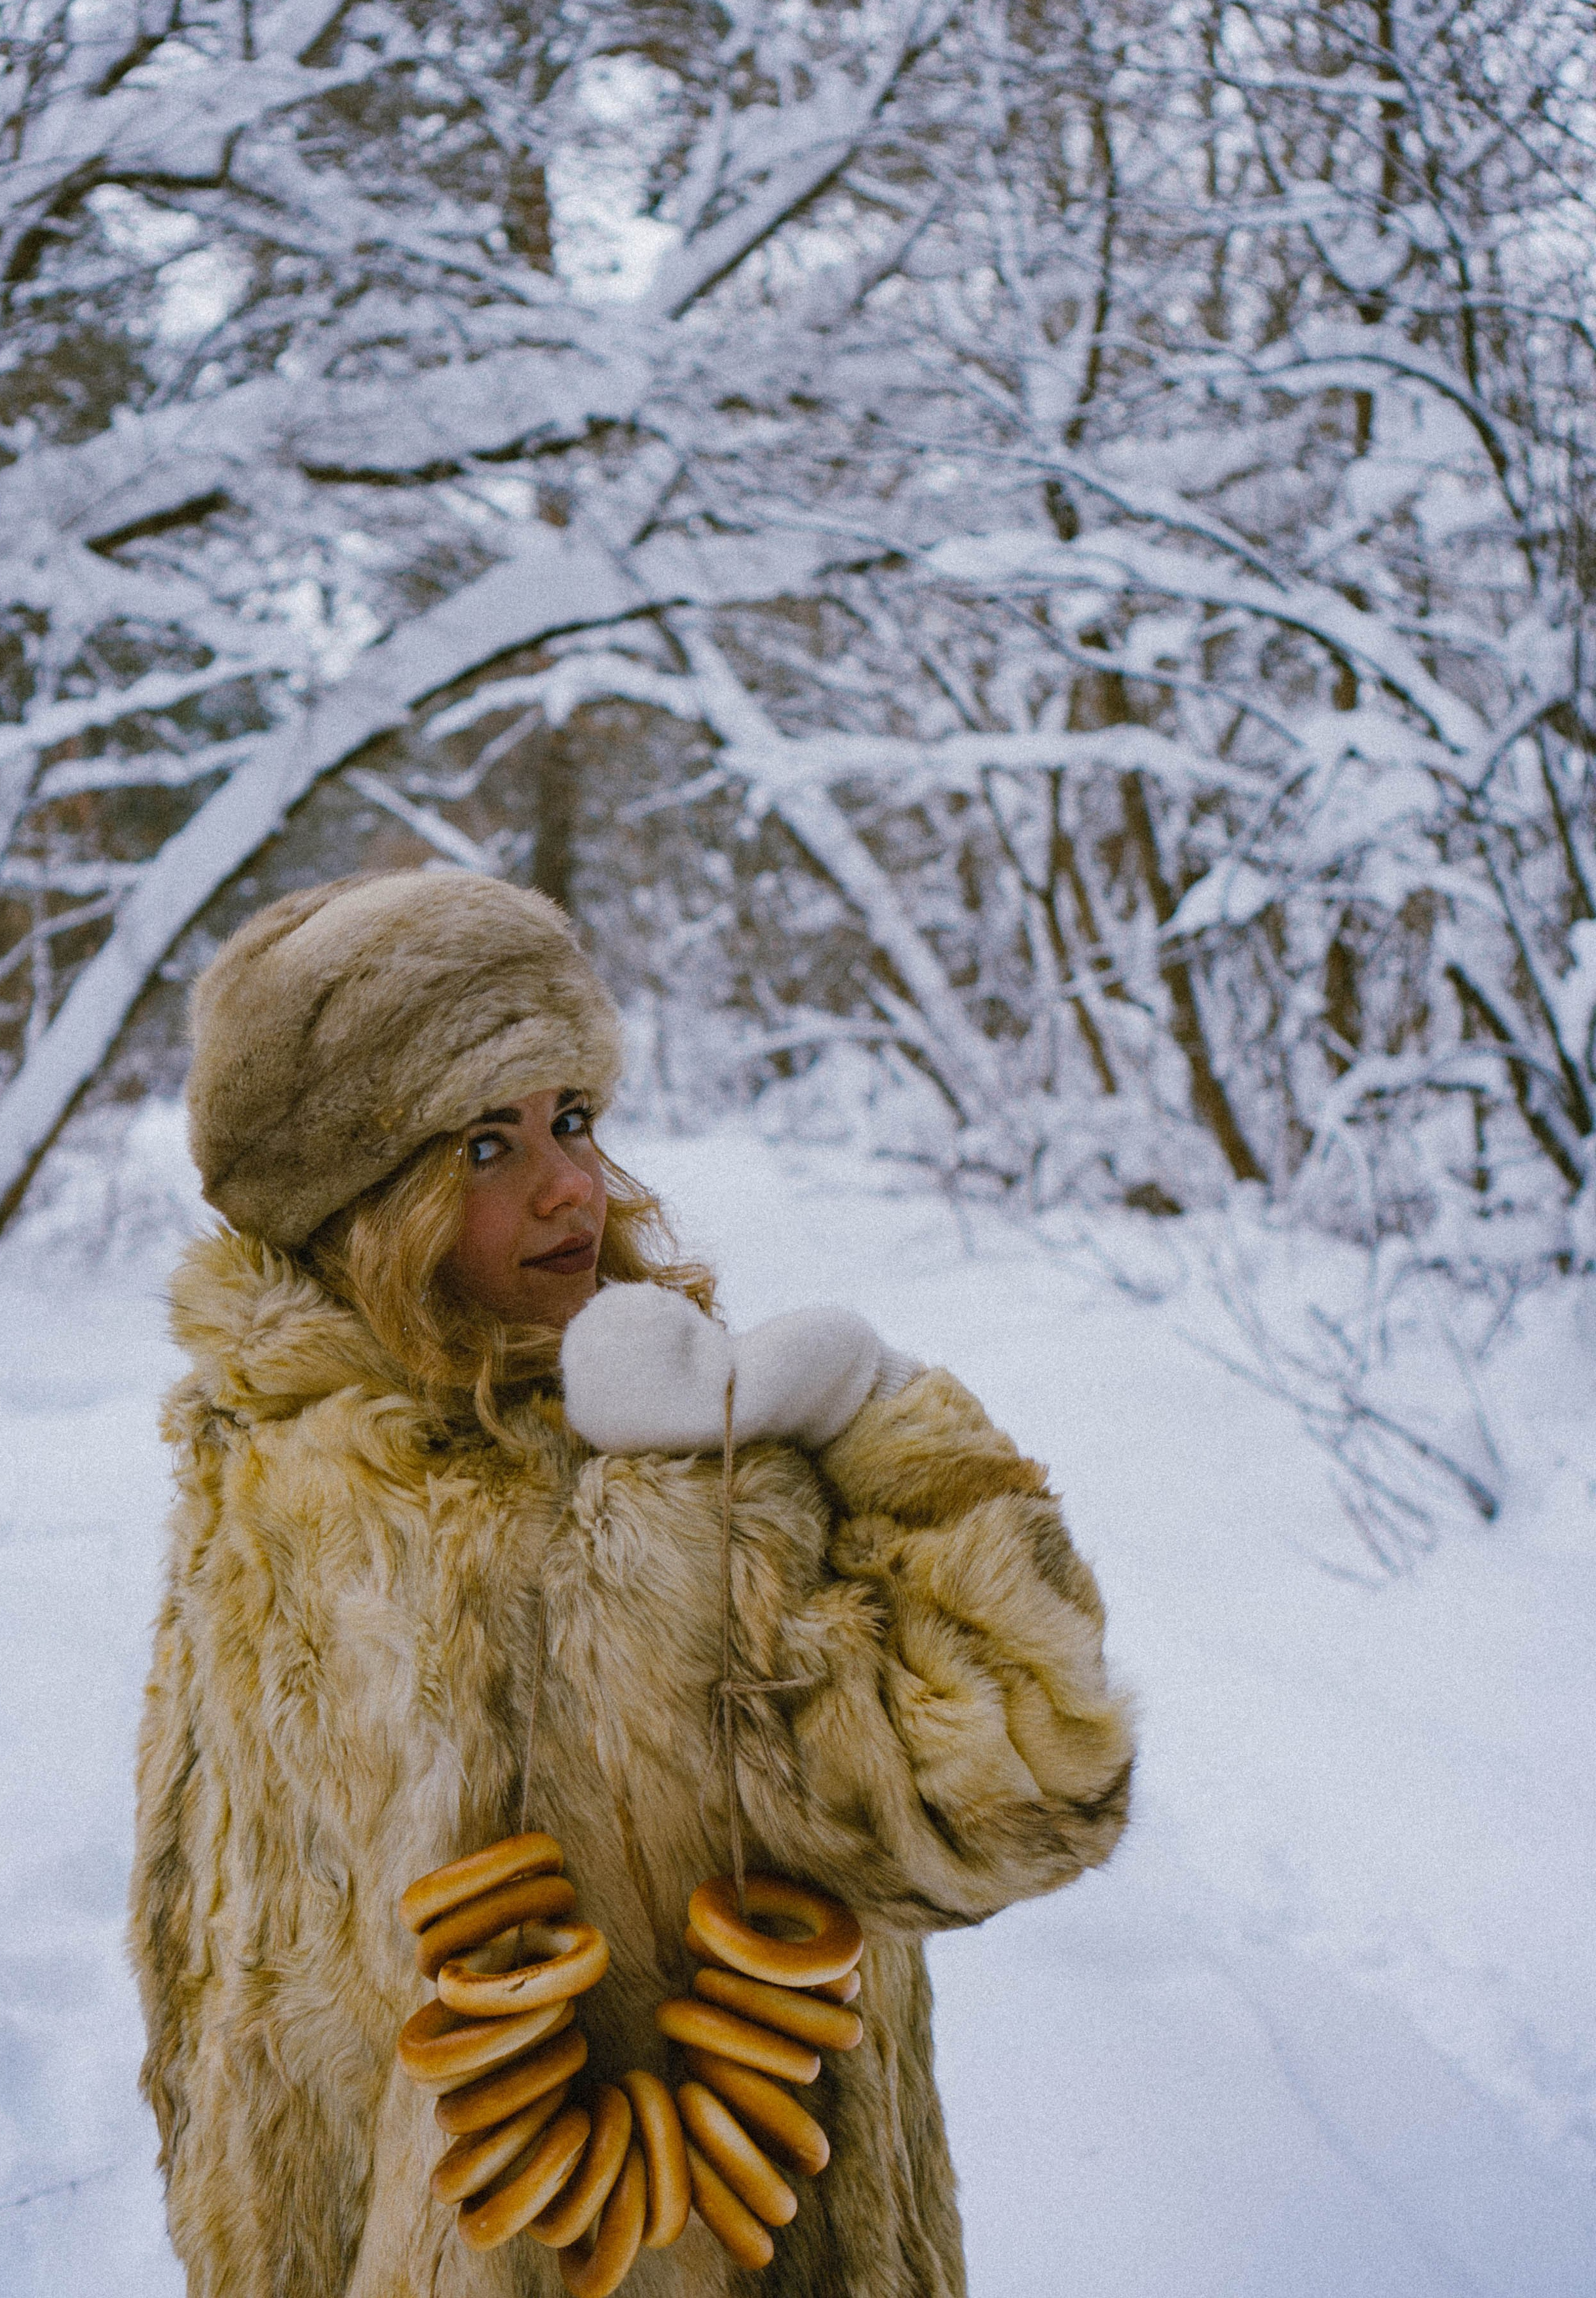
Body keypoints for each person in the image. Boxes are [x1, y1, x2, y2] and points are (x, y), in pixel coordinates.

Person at [130, 870, 1135, 2298]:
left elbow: (203, 1998)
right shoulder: (650, 1512)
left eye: (573, 1119)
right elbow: (1037, 1780)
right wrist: (881, 1415)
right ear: (358, 1205)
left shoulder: (255, 1456)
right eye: (483, 1144)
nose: (571, 1189)